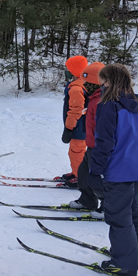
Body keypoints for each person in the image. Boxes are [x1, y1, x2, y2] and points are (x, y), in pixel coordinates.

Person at [87, 63, 138, 276]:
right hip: (135, 168)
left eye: (102, 80)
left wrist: (96, 169)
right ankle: (130, 251)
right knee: (131, 211)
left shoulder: (108, 105)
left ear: (109, 81)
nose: (100, 84)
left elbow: (105, 141)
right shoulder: (134, 103)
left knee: (118, 216)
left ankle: (126, 263)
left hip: (117, 169)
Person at [70, 61, 105, 213]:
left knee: (99, 179)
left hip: (100, 146)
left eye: (87, 83)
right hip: (91, 144)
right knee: (83, 174)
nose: (84, 86)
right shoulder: (93, 98)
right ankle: (87, 201)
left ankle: (108, 207)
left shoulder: (102, 101)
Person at [55, 55, 89, 188]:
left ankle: (80, 177)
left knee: (77, 151)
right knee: (74, 151)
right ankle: (76, 173)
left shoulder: (76, 88)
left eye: (68, 69)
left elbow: (76, 110)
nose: (66, 71)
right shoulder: (78, 84)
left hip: (78, 127)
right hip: (79, 126)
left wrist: (69, 128)